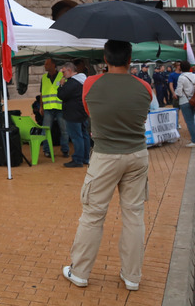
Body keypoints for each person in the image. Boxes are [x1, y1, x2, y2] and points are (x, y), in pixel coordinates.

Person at [62, 40, 152, 293]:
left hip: (105, 156)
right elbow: (142, 115)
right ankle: (132, 276)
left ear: (105, 57)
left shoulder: (91, 83)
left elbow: (91, 112)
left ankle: (79, 272)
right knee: (134, 215)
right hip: (137, 154)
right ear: (130, 58)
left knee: (93, 215)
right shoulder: (145, 86)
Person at [57, 62, 90, 168]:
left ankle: (78, 159)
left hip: (73, 113)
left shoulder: (72, 82)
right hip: (82, 112)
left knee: (77, 137)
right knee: (84, 135)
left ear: (69, 70)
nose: (62, 74)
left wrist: (61, 85)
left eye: (63, 71)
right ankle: (86, 158)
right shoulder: (82, 80)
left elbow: (61, 95)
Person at [40, 58, 68, 158]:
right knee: (46, 130)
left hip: (60, 108)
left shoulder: (62, 76)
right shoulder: (43, 77)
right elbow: (42, 93)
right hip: (48, 108)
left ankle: (65, 150)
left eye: (46, 64)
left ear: (53, 65)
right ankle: (46, 150)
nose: (45, 66)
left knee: (64, 130)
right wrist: (41, 107)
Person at [173, 61, 195, 147]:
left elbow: (179, 92)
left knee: (189, 121)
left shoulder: (181, 77)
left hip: (185, 101)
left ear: (181, 68)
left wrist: (176, 94)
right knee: (192, 120)